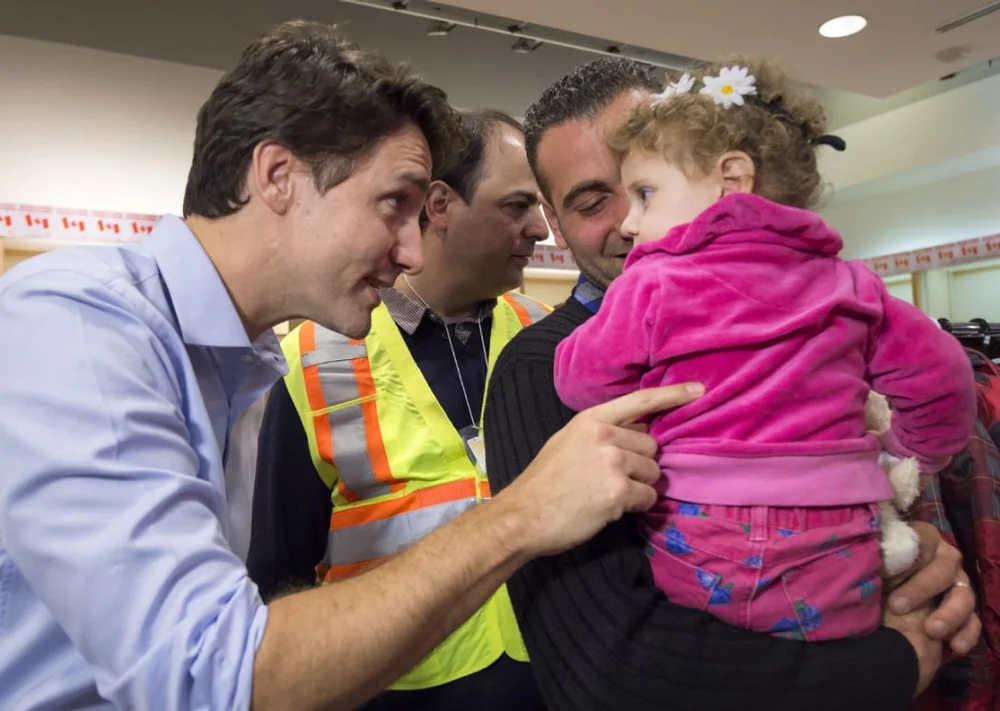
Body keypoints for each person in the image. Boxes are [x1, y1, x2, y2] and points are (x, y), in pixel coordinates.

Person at [0, 24, 700, 710]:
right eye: (394, 204)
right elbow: (214, 678)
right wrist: (522, 514)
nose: (413, 251)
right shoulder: (78, 325)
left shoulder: (231, 363)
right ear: (278, 177)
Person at [483, 56, 982, 710]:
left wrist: (922, 568)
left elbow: (920, 470)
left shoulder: (837, 308)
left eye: (645, 187)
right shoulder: (534, 368)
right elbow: (607, 673)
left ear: (726, 173)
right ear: (553, 215)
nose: (631, 222)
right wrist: (889, 662)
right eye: (595, 200)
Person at [247, 108, 551, 710]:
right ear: (440, 205)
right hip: (390, 690)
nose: (542, 229)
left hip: (547, 680)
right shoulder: (313, 363)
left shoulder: (546, 341)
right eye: (517, 206)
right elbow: (278, 581)